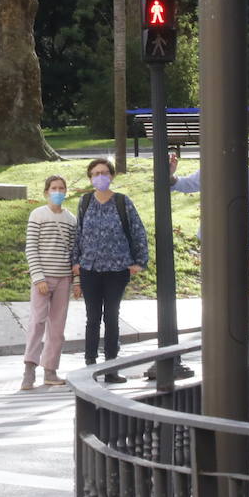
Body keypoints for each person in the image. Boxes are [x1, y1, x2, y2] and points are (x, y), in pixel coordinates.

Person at [71, 158, 149, 384]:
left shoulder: (123, 202)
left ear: (112, 176)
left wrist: (139, 261)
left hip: (117, 269)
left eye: (104, 172)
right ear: (90, 177)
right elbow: (79, 233)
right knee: (92, 316)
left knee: (112, 316)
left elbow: (138, 232)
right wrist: (76, 261)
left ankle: (112, 367)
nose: (100, 177)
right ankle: (90, 364)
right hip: (90, 268)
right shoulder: (85, 202)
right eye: (95, 173)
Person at [169, 152, 249, 275]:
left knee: (235, 291)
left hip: (243, 246)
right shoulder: (210, 171)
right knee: (214, 290)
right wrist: (170, 174)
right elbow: (184, 184)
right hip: (214, 244)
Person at [21, 175, 77, 390]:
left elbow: (74, 253)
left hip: (64, 278)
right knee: (37, 323)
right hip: (43, 279)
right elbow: (31, 248)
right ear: (46, 192)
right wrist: (38, 277)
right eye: (54, 188)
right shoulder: (37, 215)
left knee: (57, 327)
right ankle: (29, 368)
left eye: (62, 188)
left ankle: (50, 369)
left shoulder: (71, 219)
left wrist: (76, 280)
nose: (58, 191)